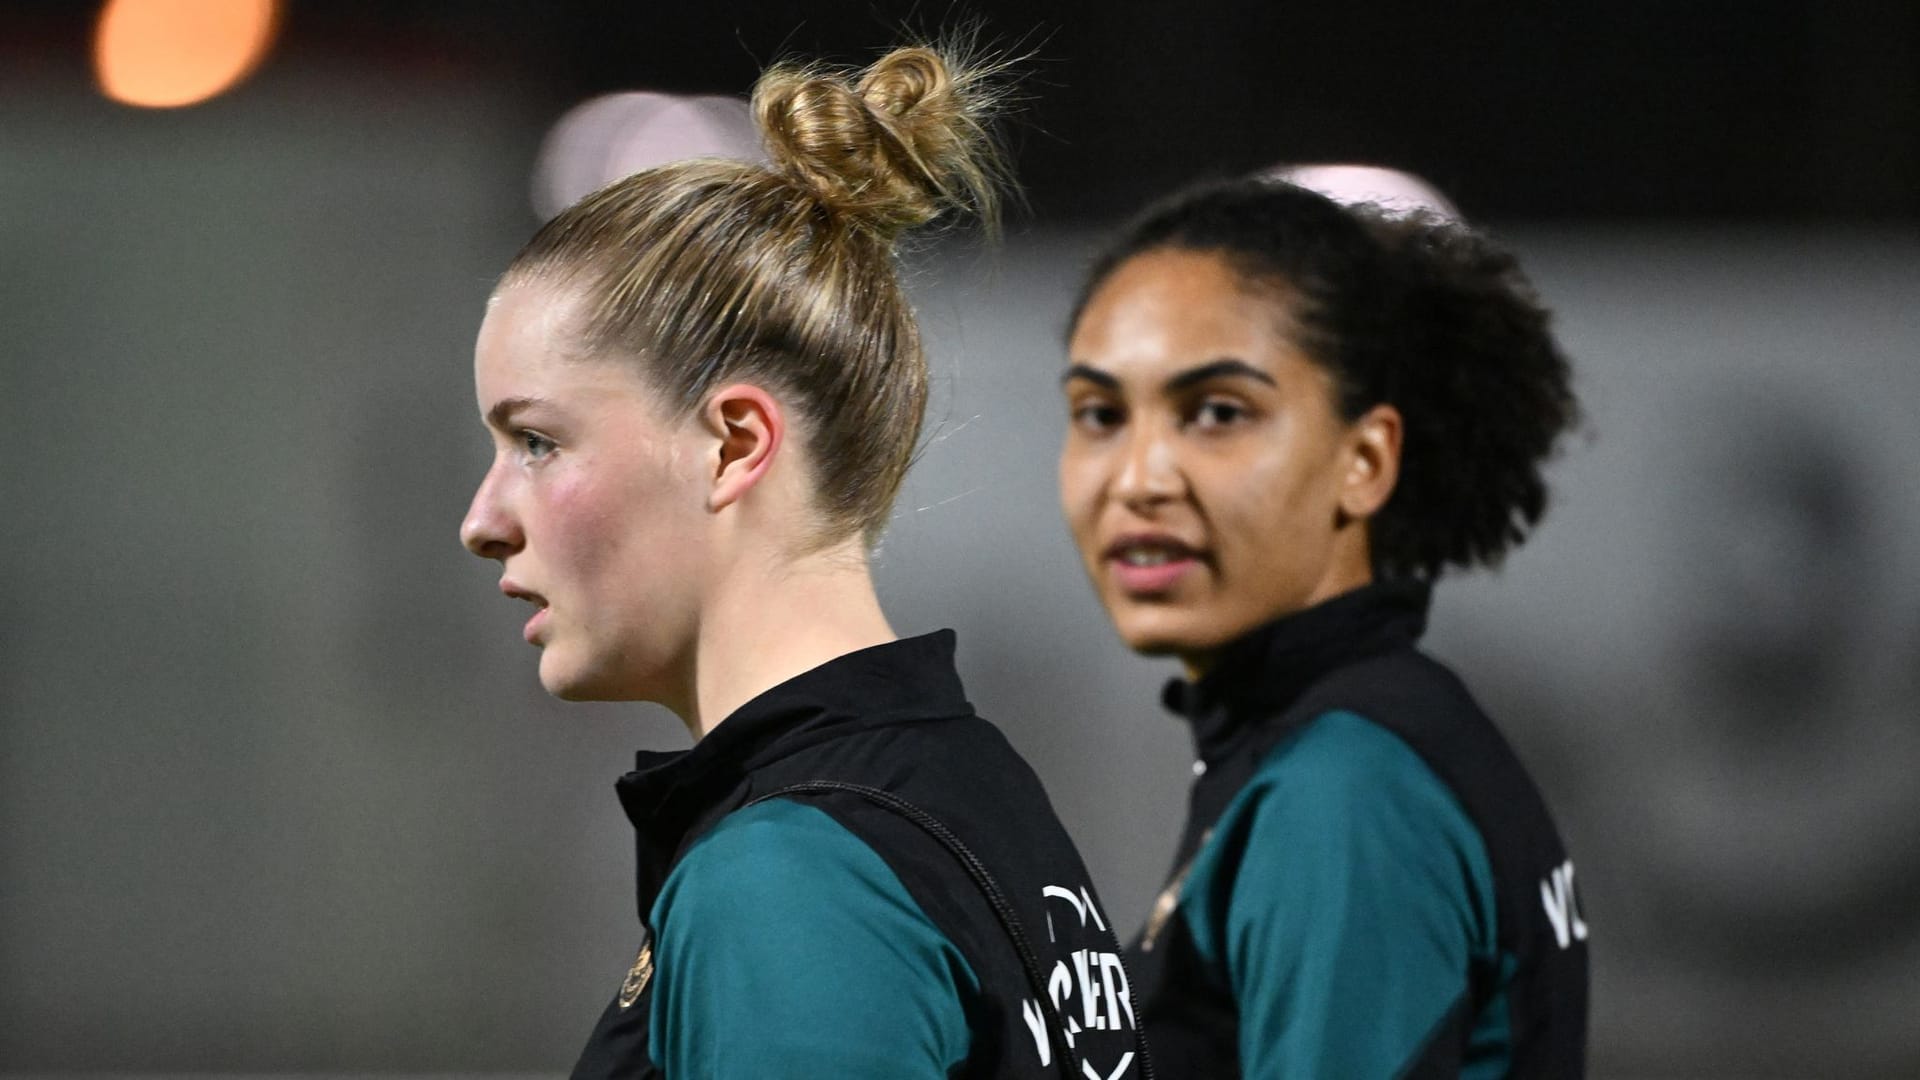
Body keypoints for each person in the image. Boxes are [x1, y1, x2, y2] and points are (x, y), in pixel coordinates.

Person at [461, 45, 1149, 1080]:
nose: (483, 519)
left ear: (735, 444)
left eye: (539, 442)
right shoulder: (966, 790)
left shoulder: (790, 879)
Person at [1057, 175, 1588, 1077]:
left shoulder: (1344, 793)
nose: (1138, 477)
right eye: (1101, 414)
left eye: (1217, 412)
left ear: (1365, 460)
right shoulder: (1358, 738)